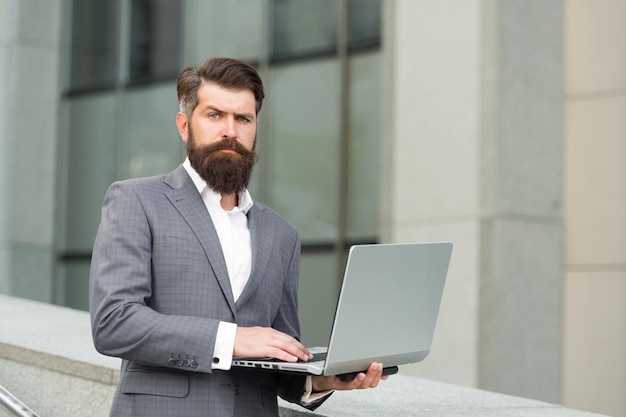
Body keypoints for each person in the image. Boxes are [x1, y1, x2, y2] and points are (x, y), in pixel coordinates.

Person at [89, 57, 387, 417]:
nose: (230, 130)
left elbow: (277, 361)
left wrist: (322, 380)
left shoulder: (282, 235)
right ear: (185, 126)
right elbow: (114, 322)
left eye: (243, 118)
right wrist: (232, 339)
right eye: (215, 115)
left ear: (255, 127)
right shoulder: (136, 200)